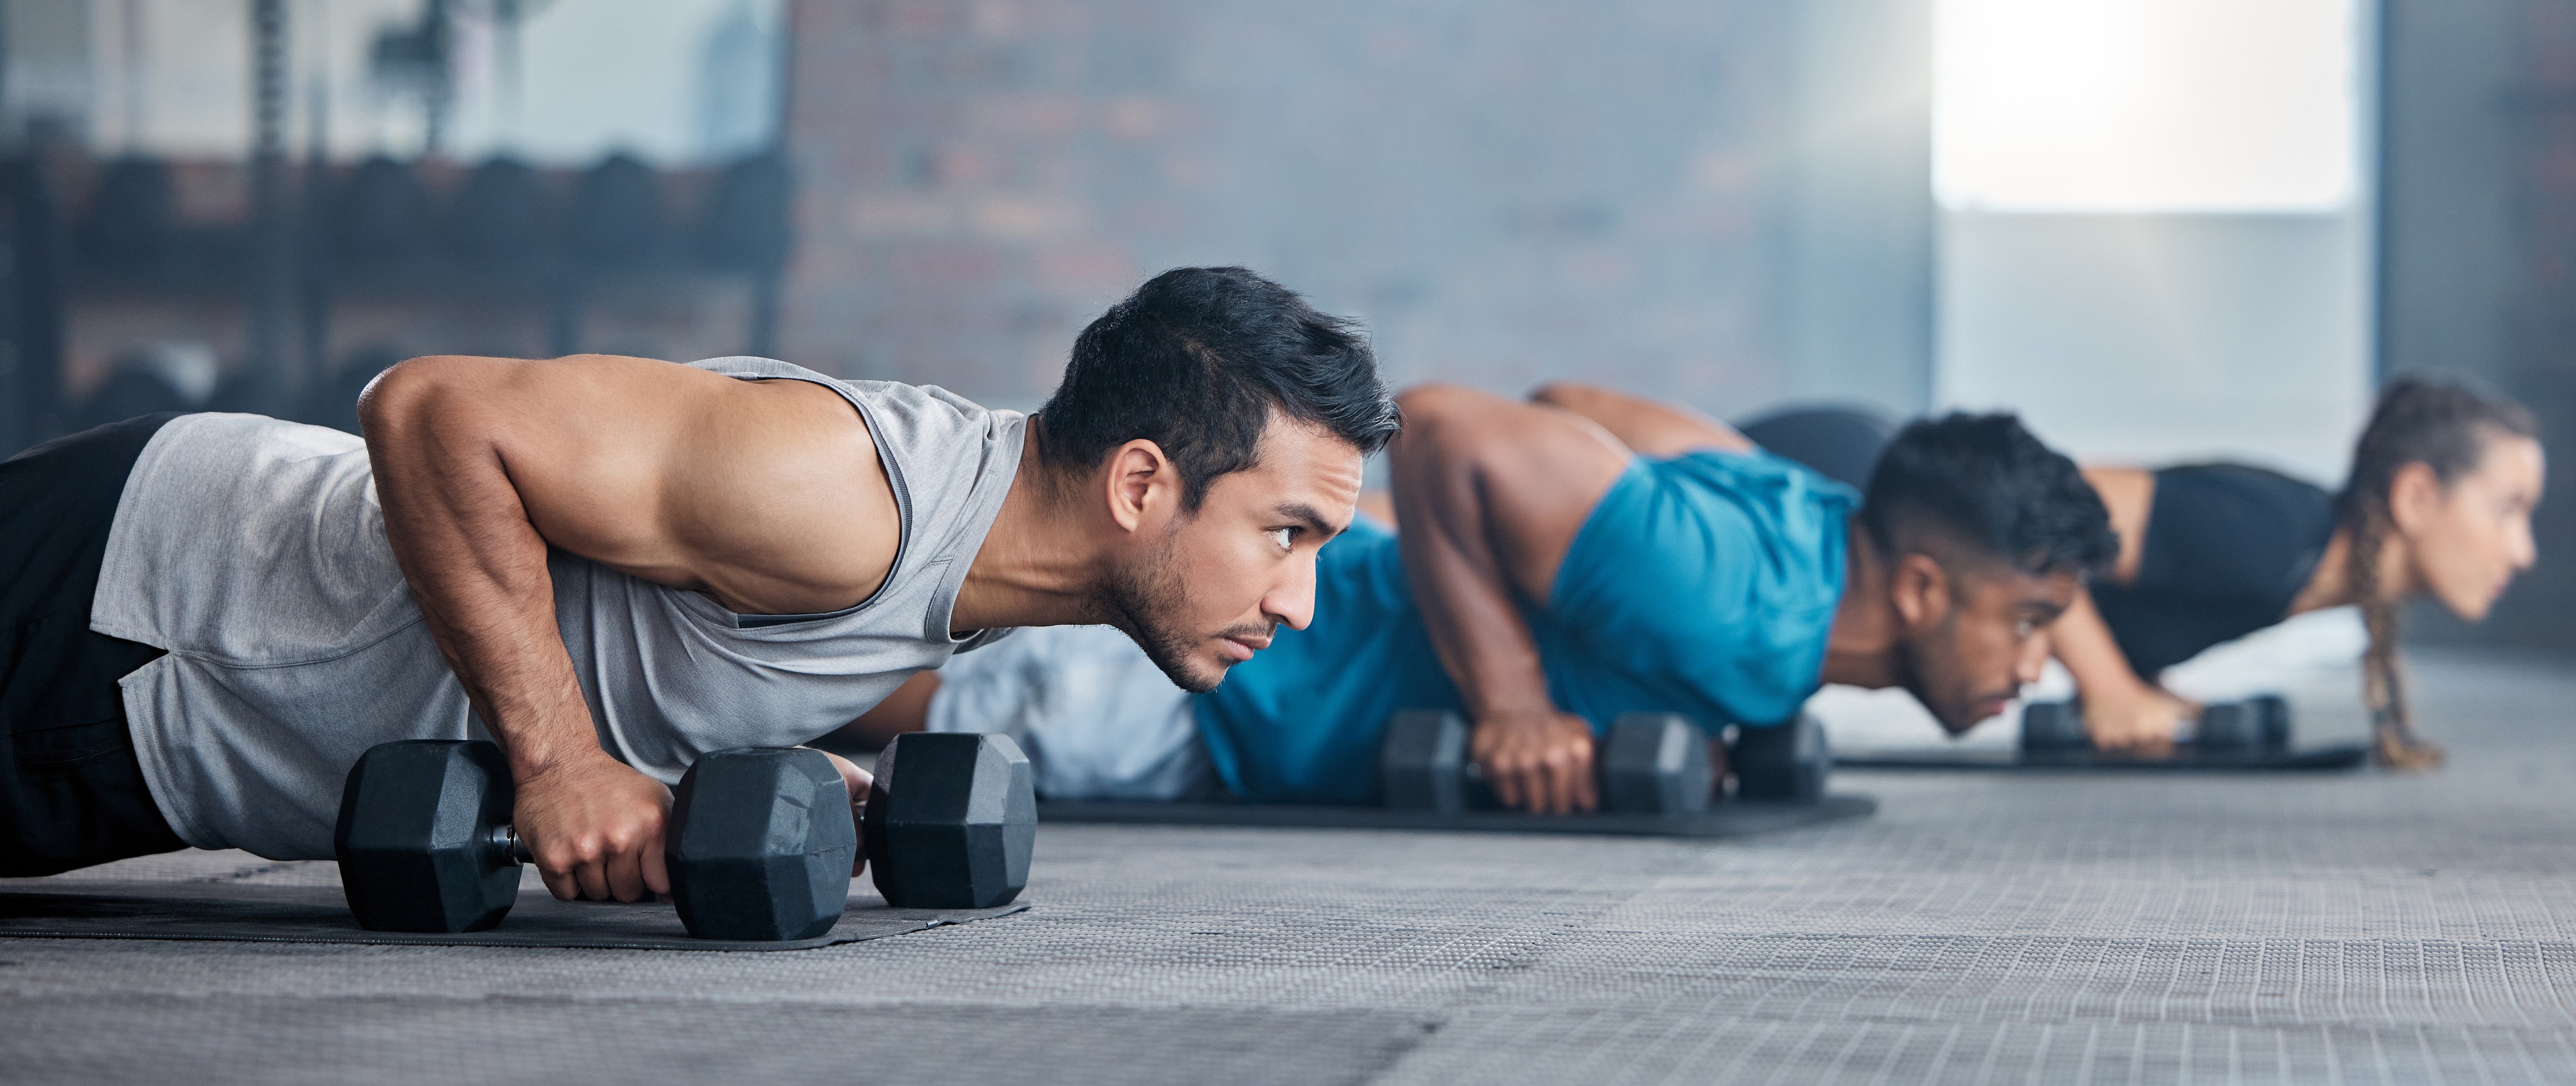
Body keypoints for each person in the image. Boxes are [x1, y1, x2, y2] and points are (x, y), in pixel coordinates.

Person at [0, 266, 1401, 896]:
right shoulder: (846, 495)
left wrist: (747, 760)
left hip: (160, 738)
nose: (1301, 602)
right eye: (1288, 533)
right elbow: (433, 409)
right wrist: (559, 759)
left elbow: (676, 632)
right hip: (133, 608)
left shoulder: (972, 571)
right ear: (1143, 483)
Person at [846, 383, 2118, 813]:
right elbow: (1450, 424)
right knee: (792, 701)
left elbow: (1577, 403)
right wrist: (1510, 693)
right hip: (1194, 684)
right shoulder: (1730, 598)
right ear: (1919, 583)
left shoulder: (1797, 520)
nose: (2039, 666)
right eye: (2026, 619)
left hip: (1270, 667)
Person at [2050, 376, 2544, 767]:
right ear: (2415, 497)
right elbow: (2034, 511)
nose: (2525, 553)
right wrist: (2108, 687)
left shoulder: (2298, 570)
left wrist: (2148, 693)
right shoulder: (2271, 533)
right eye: (2507, 509)